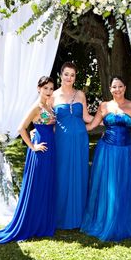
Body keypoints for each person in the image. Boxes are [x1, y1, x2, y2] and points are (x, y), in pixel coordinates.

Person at [0, 76, 57, 245]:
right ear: (39, 88)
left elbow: (50, 126)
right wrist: (32, 146)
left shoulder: (49, 105)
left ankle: (42, 224)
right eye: (45, 88)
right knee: (37, 186)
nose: (49, 91)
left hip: (51, 149)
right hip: (40, 151)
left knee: (46, 185)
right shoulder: (36, 107)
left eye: (51, 88)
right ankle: (30, 224)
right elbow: (21, 128)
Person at [81, 76, 131, 241]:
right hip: (106, 151)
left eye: (120, 86)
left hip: (126, 151)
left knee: (123, 185)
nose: (117, 90)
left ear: (125, 87)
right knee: (107, 186)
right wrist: (68, 129)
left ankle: (122, 220)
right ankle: (105, 219)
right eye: (114, 87)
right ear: (110, 89)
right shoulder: (104, 106)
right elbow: (93, 125)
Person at [51, 62, 93, 229]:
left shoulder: (81, 94)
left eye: (72, 75)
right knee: (62, 173)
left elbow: (86, 117)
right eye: (66, 74)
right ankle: (61, 215)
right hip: (61, 141)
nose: (69, 77)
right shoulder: (52, 95)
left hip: (80, 140)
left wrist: (107, 116)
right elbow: (47, 119)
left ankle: (79, 216)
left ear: (75, 77)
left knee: (79, 173)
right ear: (61, 75)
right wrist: (36, 131)